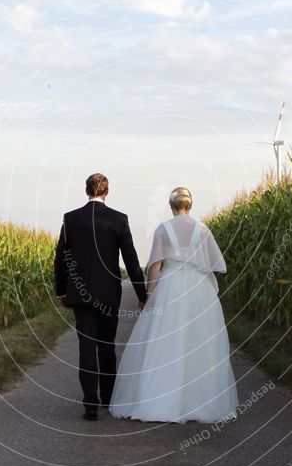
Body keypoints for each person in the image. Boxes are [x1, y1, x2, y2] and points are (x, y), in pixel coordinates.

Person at [109, 187, 239, 423]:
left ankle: (157, 399)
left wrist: (149, 295)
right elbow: (212, 264)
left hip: (170, 286)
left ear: (171, 205)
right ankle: (200, 401)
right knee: (198, 342)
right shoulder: (202, 230)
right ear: (190, 205)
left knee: (163, 340)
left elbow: (156, 265)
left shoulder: (163, 229)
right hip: (198, 289)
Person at [54, 173, 148, 421]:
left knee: (86, 346)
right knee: (106, 346)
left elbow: (61, 258)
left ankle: (90, 404)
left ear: (86, 190)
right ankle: (108, 398)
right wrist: (142, 294)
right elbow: (131, 260)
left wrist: (62, 291)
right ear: (107, 192)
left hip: (80, 295)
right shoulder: (118, 219)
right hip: (108, 294)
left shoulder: (71, 219)